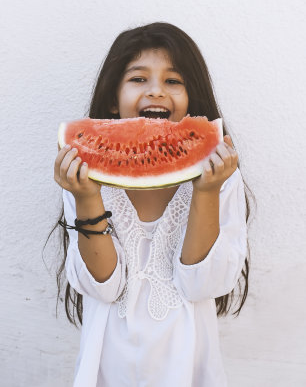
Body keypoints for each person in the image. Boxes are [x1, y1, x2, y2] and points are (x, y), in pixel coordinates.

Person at [53, 22, 251, 387]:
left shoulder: (219, 174)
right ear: (114, 98)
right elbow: (104, 287)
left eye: (173, 81)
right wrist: (85, 196)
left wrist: (206, 192)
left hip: (188, 363)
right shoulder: (84, 174)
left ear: (192, 97)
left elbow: (201, 284)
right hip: (107, 363)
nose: (156, 91)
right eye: (139, 79)